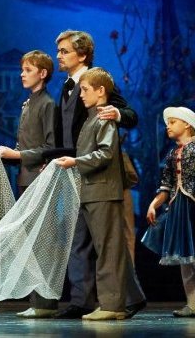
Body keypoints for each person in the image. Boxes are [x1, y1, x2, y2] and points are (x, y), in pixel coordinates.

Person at [38, 30, 145, 319]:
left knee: (105, 241)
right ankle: (83, 300)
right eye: (59, 51)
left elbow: (129, 114)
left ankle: (120, 299)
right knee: (80, 239)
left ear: (82, 54)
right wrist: (50, 157)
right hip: (74, 169)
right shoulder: (66, 88)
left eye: (64, 51)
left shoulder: (97, 83)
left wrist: (116, 114)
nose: (58, 56)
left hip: (95, 172)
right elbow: (64, 132)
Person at [53, 67, 131, 321]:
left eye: (85, 90)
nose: (81, 94)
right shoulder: (90, 118)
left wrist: (75, 162)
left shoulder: (103, 117)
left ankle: (112, 305)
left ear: (100, 91)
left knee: (108, 249)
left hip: (103, 191)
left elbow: (106, 153)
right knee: (99, 248)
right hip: (91, 190)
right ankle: (111, 303)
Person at [0, 50, 56, 317]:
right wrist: (6, 157)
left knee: (42, 240)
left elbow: (50, 147)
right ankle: (37, 301)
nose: (22, 74)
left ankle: (44, 303)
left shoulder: (47, 104)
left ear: (42, 73)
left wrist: (18, 155)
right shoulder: (28, 103)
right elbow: (26, 144)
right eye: (22, 69)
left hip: (40, 179)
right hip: (26, 178)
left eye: (28, 70)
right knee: (31, 241)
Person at [142, 107, 195, 317]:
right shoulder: (172, 154)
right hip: (178, 207)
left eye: (173, 122)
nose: (168, 126)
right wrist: (154, 204)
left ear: (187, 124)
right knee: (184, 258)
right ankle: (191, 304)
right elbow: (166, 185)